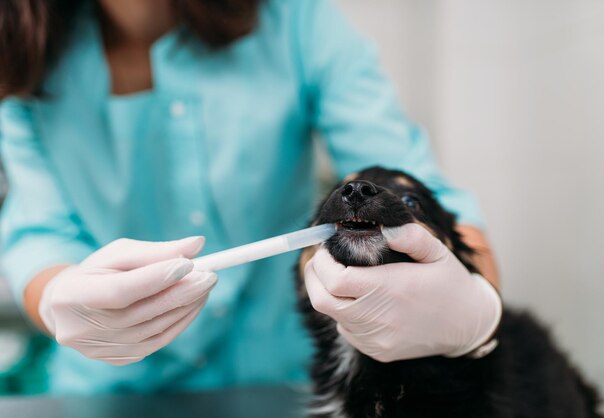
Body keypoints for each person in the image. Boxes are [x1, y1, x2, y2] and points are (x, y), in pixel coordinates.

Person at [0, 0, 502, 394]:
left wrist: (478, 310)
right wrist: (58, 300)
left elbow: (412, 182)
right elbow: (39, 232)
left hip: (285, 382)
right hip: (110, 393)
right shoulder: (22, 59)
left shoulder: (296, 20)